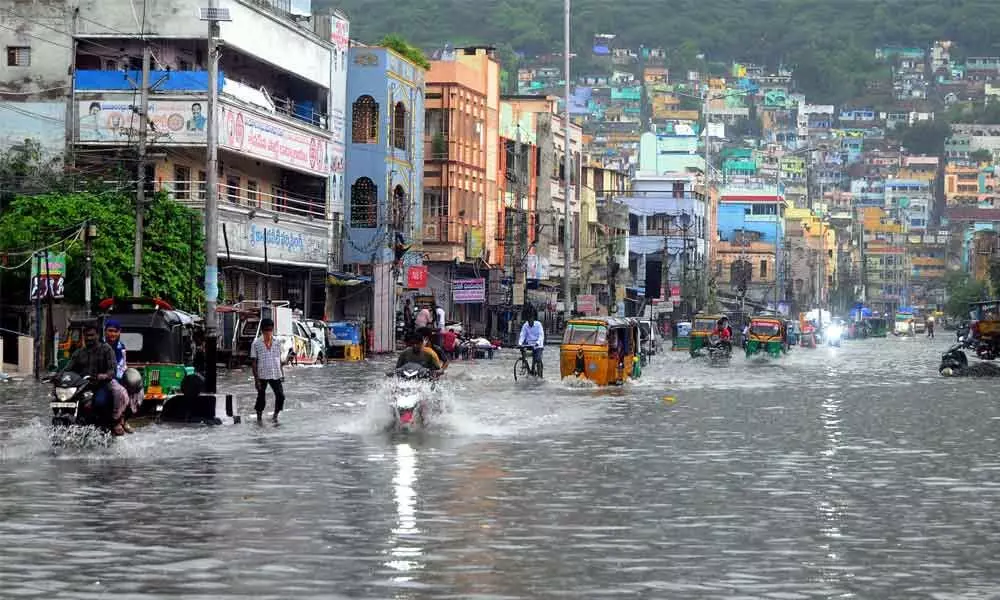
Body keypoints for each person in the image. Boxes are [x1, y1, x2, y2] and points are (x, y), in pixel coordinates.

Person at [63, 323, 116, 425]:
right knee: (63, 401)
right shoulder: (79, 352)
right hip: (81, 387)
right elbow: (68, 369)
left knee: (100, 402)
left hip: (100, 385)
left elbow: (112, 370)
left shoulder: (106, 350)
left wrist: (105, 375)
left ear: (98, 336)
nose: (89, 338)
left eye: (92, 335)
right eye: (87, 335)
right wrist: (57, 376)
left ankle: (104, 427)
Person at [104, 320, 142, 435]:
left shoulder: (121, 346)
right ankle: (115, 421)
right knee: (119, 392)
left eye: (115, 331)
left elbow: (123, 363)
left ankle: (124, 419)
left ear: (119, 332)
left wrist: (123, 377)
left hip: (118, 376)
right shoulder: (101, 345)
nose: (112, 334)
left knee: (138, 391)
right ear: (105, 332)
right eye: (110, 331)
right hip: (104, 377)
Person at [250, 318, 285, 424]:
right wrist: (256, 380)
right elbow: (254, 362)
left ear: (272, 329)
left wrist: (282, 373)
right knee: (261, 397)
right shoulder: (256, 343)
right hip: (262, 374)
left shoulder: (277, 342)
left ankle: (275, 415)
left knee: (281, 396)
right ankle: (259, 417)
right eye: (266, 330)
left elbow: (279, 359)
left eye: (270, 330)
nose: (268, 332)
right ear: (262, 330)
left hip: (276, 373)